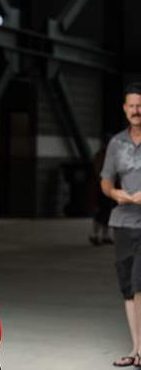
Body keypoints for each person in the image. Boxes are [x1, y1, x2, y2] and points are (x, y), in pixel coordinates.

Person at [100, 82, 141, 367]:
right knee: (128, 287)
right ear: (125, 109)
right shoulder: (116, 143)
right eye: (132, 105)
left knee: (140, 283)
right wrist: (117, 194)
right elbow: (105, 182)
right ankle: (137, 348)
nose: (137, 110)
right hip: (124, 222)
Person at [89, 133, 115, 246]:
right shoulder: (100, 155)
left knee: (109, 212)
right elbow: (98, 171)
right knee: (100, 212)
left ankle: (105, 235)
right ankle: (95, 235)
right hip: (102, 187)